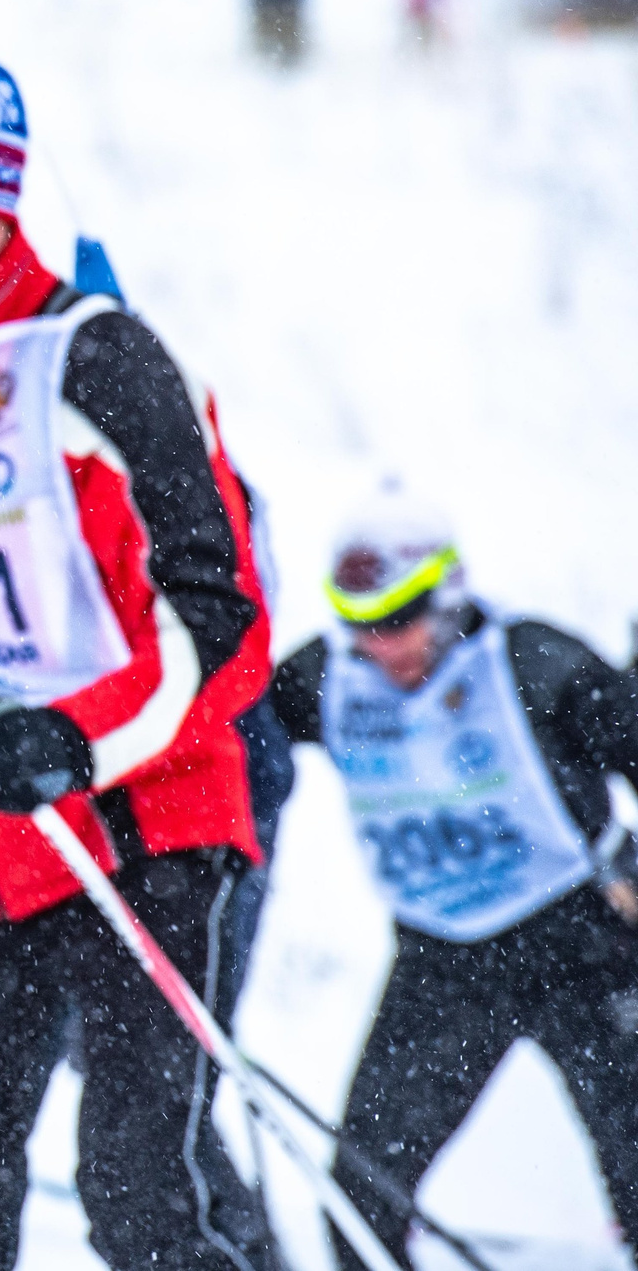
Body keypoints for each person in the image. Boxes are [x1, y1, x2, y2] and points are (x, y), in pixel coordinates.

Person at [0, 47, 280, 1271]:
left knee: (141, 1188)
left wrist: (70, 736)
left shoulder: (94, 356)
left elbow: (221, 620)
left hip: (145, 828)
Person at [266, 491, 638, 1268]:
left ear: (448, 593)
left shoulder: (531, 661)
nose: (380, 642)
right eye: (358, 622)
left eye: (400, 618)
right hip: (444, 958)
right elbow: (232, 740)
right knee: (360, 1198)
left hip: (584, 940)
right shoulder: (327, 677)